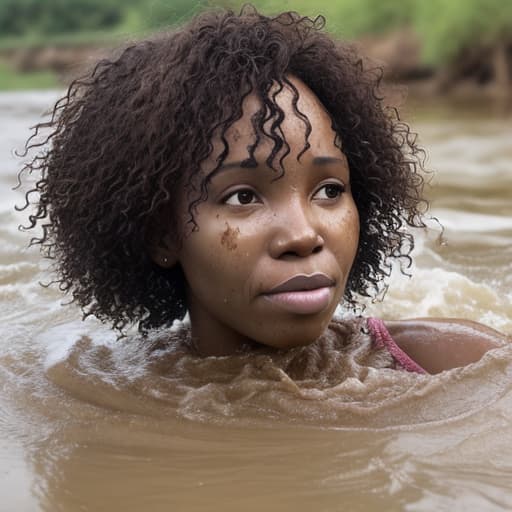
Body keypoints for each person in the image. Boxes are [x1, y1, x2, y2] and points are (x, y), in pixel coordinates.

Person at [19, 7, 508, 376]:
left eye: (330, 190)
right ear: (162, 235)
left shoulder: (458, 364)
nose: (303, 235)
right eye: (242, 197)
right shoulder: (100, 391)